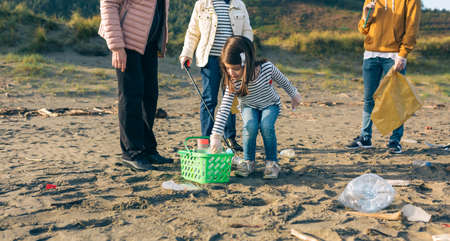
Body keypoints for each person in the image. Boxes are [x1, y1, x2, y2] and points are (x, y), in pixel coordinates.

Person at [209, 36, 302, 179]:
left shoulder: (267, 68)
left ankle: (272, 163)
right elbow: (224, 109)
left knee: (266, 126)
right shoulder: (233, 82)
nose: (231, 73)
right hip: (249, 106)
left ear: (247, 62)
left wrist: (294, 95)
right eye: (227, 68)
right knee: (250, 126)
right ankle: (249, 162)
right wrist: (215, 136)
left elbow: (284, 81)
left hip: (270, 105)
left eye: (235, 68)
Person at [99, 0, 173, 171]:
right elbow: (109, 4)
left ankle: (146, 148)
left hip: (149, 44)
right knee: (131, 96)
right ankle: (132, 152)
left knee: (150, 96)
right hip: (127, 42)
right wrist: (117, 47)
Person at [347, 0, 421, 154]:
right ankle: (365, 137)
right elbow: (363, 29)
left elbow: (412, 27)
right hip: (371, 54)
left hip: (394, 56)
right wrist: (366, 14)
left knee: (395, 99)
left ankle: (395, 141)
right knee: (369, 98)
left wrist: (403, 54)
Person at [179, 0, 254, 152]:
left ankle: (230, 138)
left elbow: (247, 32)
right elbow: (193, 32)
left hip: (232, 60)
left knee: (231, 99)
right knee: (209, 99)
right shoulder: (202, 4)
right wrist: (187, 53)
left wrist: (245, 57)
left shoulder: (238, 4)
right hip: (210, 60)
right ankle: (206, 139)